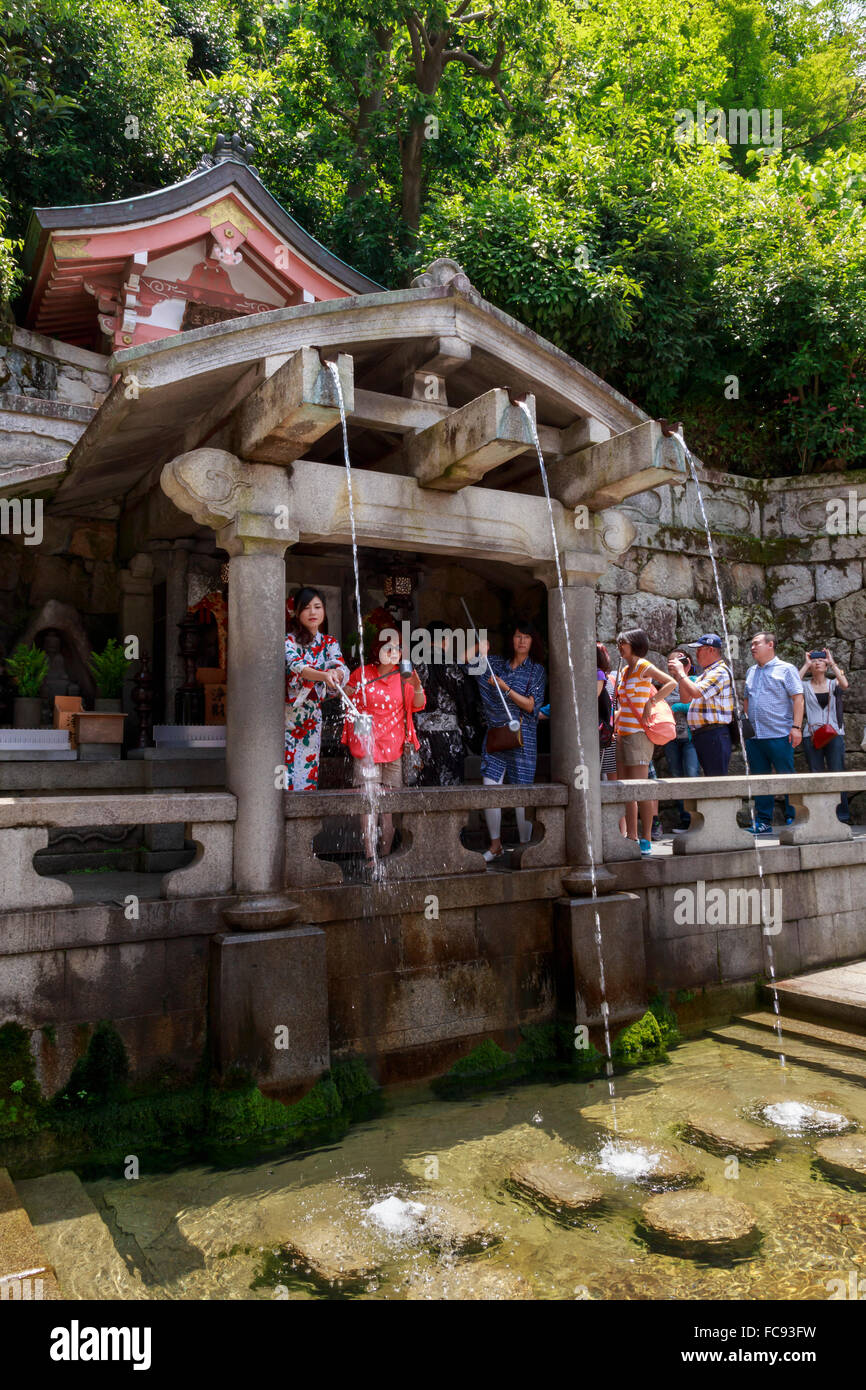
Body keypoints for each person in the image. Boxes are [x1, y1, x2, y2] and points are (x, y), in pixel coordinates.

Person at [342, 629, 426, 871]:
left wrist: (417, 685)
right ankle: (370, 857)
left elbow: (418, 705)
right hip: (366, 748)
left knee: (388, 808)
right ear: (376, 650)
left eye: (398, 648)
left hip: (395, 749)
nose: (394, 653)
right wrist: (342, 688)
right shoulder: (362, 673)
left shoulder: (405, 676)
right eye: (388, 647)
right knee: (368, 804)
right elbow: (347, 700)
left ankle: (386, 856)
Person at [466, 621, 547, 863]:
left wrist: (505, 687)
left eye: (526, 637)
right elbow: (466, 666)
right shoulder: (496, 664)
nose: (521, 641)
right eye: (518, 635)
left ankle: (525, 847)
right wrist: (479, 649)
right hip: (495, 735)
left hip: (523, 736)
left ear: (533, 642)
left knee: (522, 792)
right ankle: (495, 844)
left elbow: (532, 705)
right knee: (490, 787)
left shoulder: (536, 670)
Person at [613, 629, 676, 855]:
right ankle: (632, 836)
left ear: (635, 644)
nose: (620, 646)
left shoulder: (642, 665)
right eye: (619, 643)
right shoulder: (625, 670)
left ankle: (647, 838)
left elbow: (670, 682)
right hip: (622, 734)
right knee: (625, 790)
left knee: (640, 789)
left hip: (639, 735)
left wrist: (652, 701)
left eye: (624, 643)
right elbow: (622, 705)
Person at [284, 587, 348, 791]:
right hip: (287, 717)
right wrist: (324, 675)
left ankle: (304, 817)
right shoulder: (288, 641)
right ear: (297, 612)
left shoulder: (329, 642)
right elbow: (298, 667)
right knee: (284, 771)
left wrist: (337, 674)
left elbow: (341, 666)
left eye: (318, 607)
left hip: (313, 717)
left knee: (309, 769)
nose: (313, 613)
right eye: (307, 608)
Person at [743, 632, 804, 834]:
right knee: (760, 780)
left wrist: (796, 728)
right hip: (755, 737)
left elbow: (798, 698)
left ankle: (794, 817)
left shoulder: (786, 669)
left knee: (787, 778)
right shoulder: (751, 671)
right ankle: (763, 821)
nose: (752, 647)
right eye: (751, 644)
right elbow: (747, 699)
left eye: (756, 643)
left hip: (779, 733)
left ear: (770, 644)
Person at [413, 622, 483, 786]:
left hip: (419, 735)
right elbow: (466, 700)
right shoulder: (449, 664)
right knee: (448, 786)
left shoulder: (414, 664)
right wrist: (472, 730)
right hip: (447, 737)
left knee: (424, 786)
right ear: (445, 640)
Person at [667, 635, 734, 777]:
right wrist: (683, 674)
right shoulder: (706, 674)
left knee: (716, 780)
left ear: (711, 650)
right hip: (703, 734)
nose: (696, 654)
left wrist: (680, 673)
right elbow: (686, 699)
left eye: (699, 649)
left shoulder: (719, 672)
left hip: (714, 733)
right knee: (711, 778)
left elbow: (696, 693)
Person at [799, 646, 851, 823]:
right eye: (814, 660)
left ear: (826, 665)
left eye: (821, 660)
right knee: (816, 774)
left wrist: (832, 660)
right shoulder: (805, 686)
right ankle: (819, 815)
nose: (817, 662)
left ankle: (841, 815)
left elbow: (845, 683)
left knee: (837, 773)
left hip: (834, 733)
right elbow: (792, 683)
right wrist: (805, 664)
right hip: (811, 734)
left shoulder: (833, 683)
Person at [663, 649, 702, 830]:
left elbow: (693, 705)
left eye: (679, 661)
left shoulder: (694, 681)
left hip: (691, 738)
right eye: (671, 661)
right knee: (676, 777)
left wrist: (674, 706)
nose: (675, 664)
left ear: (688, 663)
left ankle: (696, 820)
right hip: (671, 738)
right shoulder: (666, 683)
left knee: (692, 776)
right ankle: (685, 820)